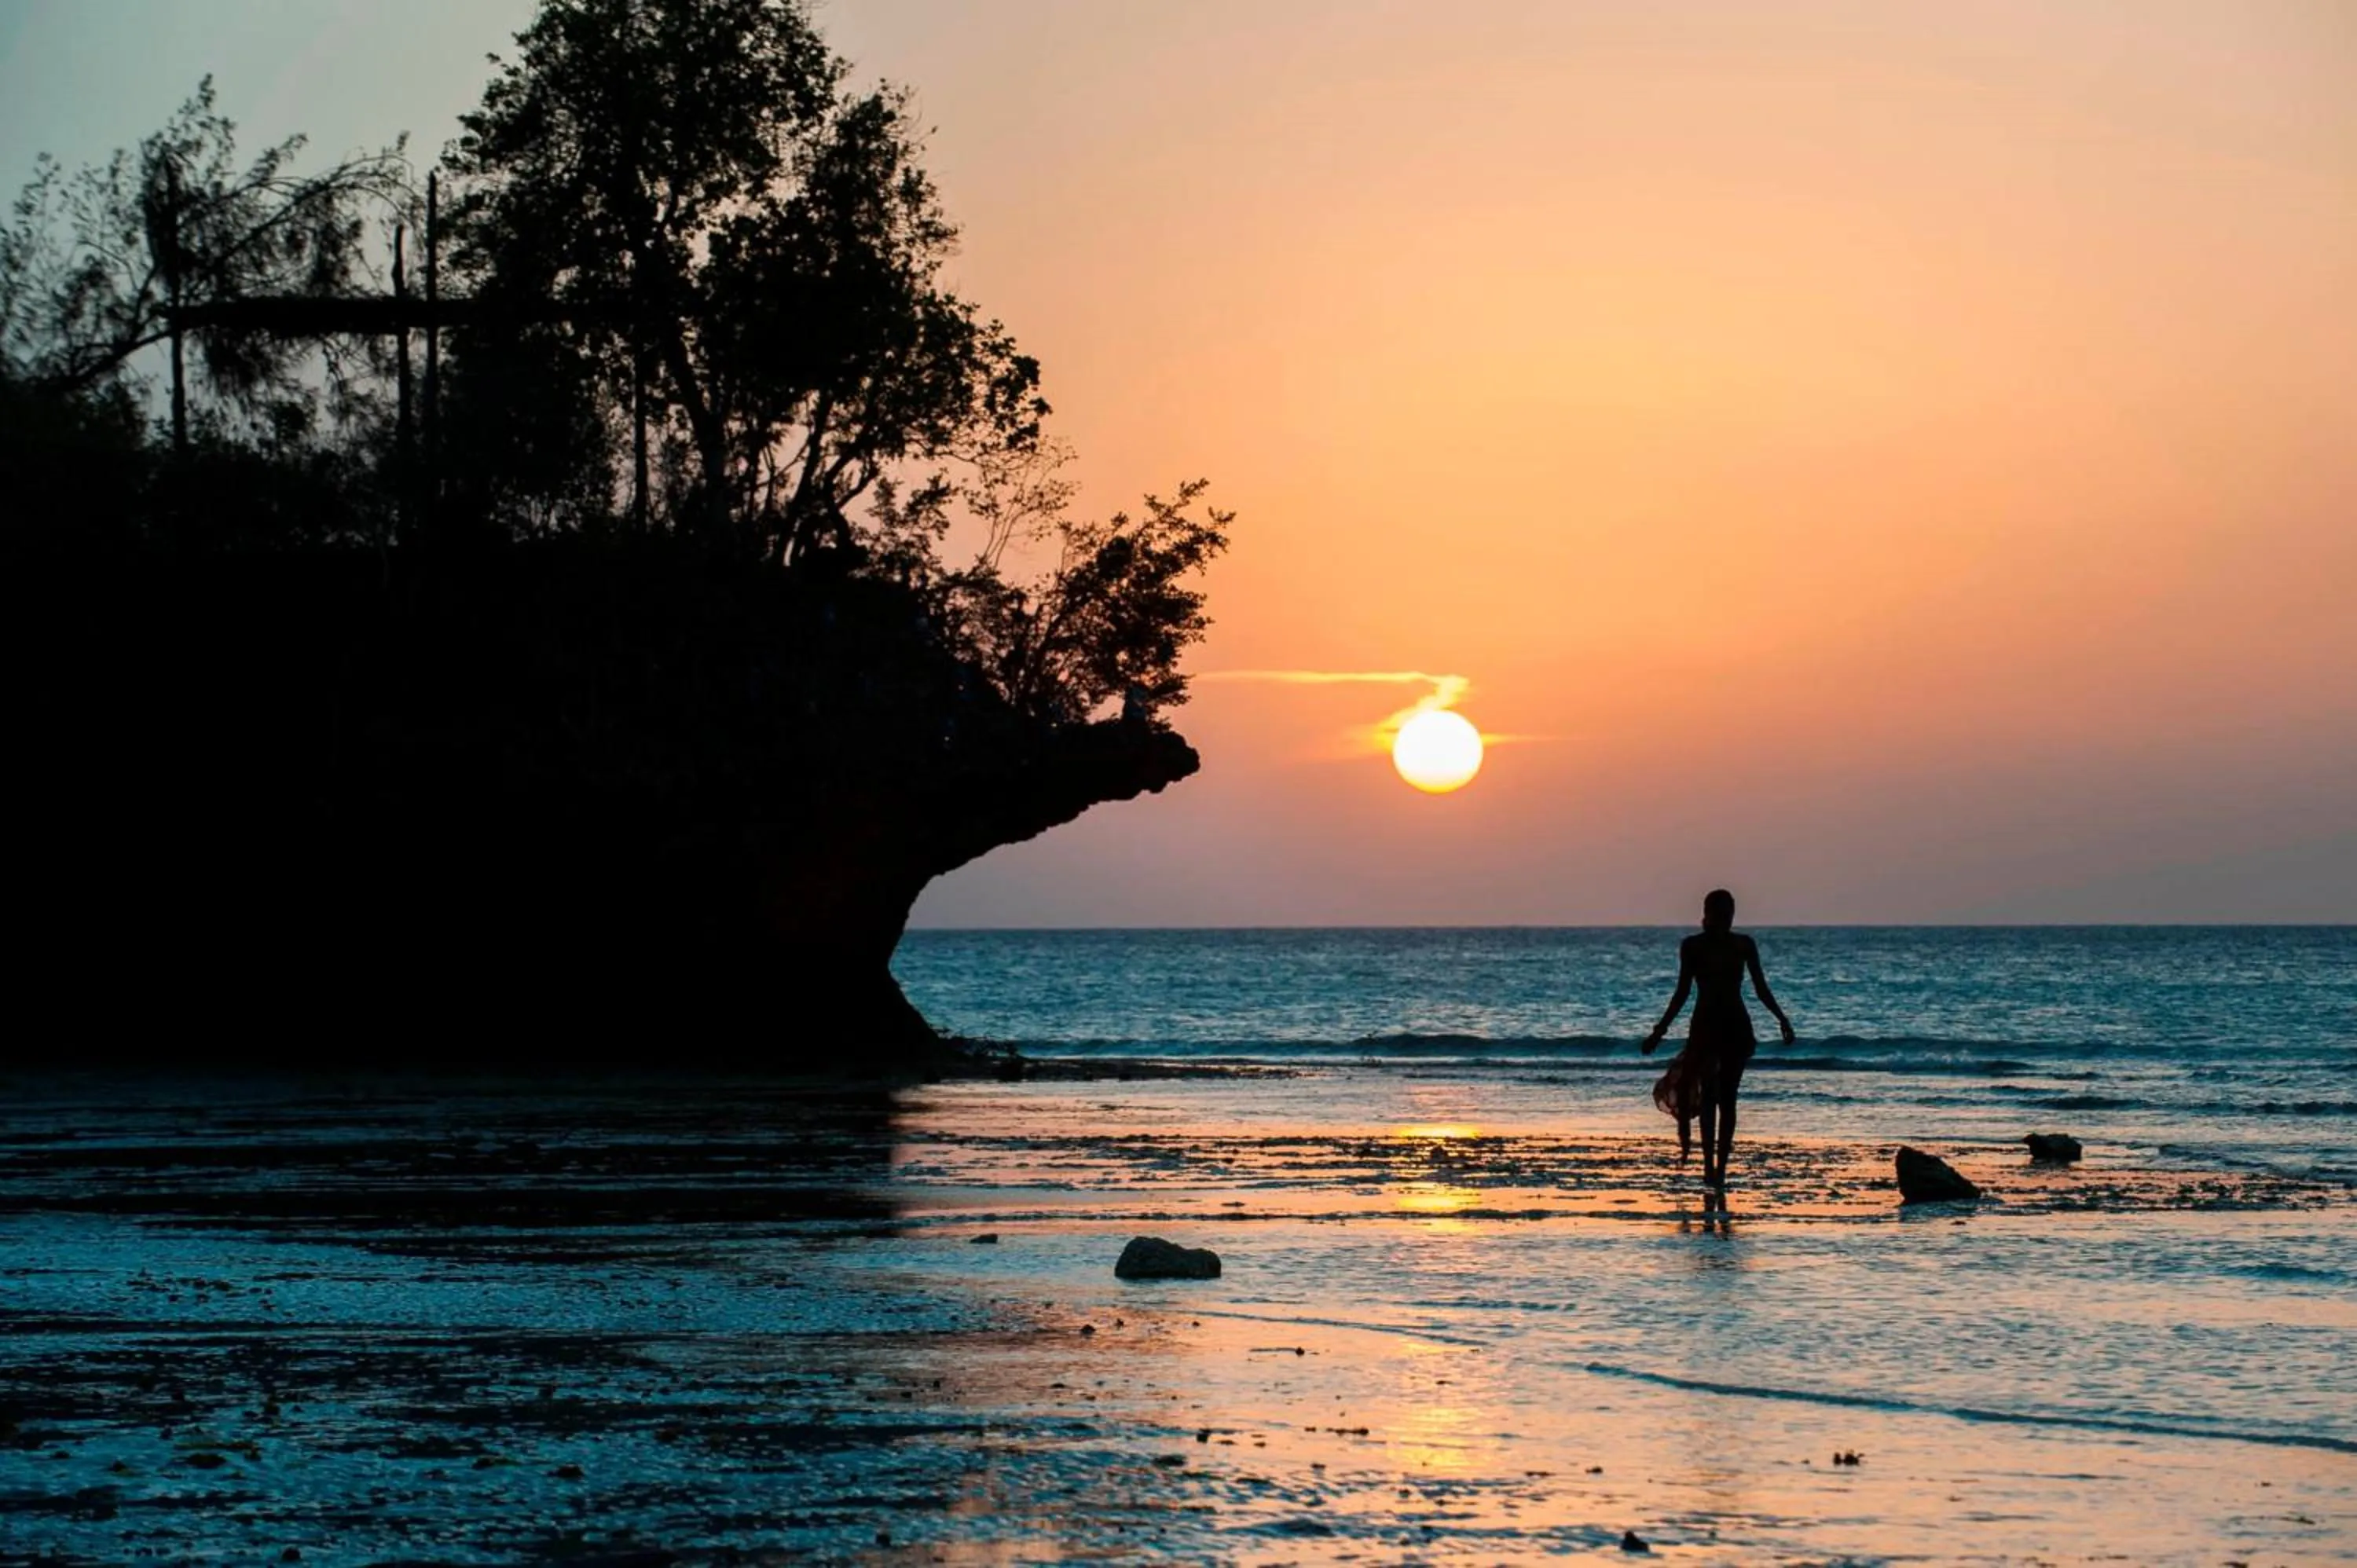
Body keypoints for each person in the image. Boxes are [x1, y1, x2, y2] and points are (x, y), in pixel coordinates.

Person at [1642, 889, 1794, 1189]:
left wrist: (1782, 1019)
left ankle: (1720, 1168)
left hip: (1735, 1026)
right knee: (1709, 1097)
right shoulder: (1693, 947)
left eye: (1730, 912)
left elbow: (1761, 988)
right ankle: (1709, 1169)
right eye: (1721, 912)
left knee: (1728, 1098)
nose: (1727, 917)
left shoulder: (1743, 945)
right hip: (1705, 1027)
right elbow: (1682, 992)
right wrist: (1659, 1032)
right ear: (1708, 913)